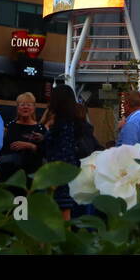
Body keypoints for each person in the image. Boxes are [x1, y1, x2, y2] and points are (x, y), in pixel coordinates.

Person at [41, 83, 87, 220]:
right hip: (67, 175)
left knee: (55, 215)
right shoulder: (74, 123)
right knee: (63, 214)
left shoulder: (62, 125)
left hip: (58, 176)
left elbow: (61, 151)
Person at [0, 92, 46, 181]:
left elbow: (45, 152)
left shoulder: (40, 129)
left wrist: (30, 146)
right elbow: (1, 147)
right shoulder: (9, 126)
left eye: (29, 104)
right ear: (17, 108)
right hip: (9, 174)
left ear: (34, 108)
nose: (25, 107)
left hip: (32, 175)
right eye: (22, 104)